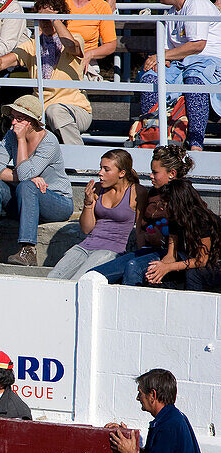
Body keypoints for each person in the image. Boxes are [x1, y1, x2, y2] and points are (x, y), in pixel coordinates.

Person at [0, 95, 74, 266]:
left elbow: (24, 175)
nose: (13, 122)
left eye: (19, 118)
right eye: (13, 117)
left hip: (57, 202)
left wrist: (21, 141)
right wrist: (24, 176)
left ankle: (28, 249)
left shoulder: (49, 141)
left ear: (32, 122)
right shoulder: (10, 136)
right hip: (26, 197)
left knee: (27, 186)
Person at [0, 0, 92, 146]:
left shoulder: (76, 38)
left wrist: (55, 19)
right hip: (40, 110)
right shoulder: (32, 45)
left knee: (55, 112)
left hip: (75, 109)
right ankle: (15, 160)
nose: (45, 21)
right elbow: (4, 61)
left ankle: (79, 158)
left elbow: (71, 46)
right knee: (19, 114)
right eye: (42, 17)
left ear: (62, 17)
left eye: (49, 17)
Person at [89, 144, 194, 285]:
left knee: (133, 267)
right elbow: (142, 226)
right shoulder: (153, 193)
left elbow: (180, 230)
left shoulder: (183, 195)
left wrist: (169, 255)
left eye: (155, 172)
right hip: (150, 250)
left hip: (174, 253)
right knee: (94, 274)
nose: (150, 176)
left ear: (172, 174)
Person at [139, 0, 221, 151]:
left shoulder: (197, 4)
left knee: (194, 79)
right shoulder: (172, 12)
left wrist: (161, 56)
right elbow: (167, 52)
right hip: (181, 62)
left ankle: (196, 145)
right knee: (151, 77)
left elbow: (197, 45)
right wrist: (161, 61)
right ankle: (151, 138)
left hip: (208, 61)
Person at [48, 149, 143, 280]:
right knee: (52, 279)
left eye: (106, 169)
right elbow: (86, 229)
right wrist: (88, 203)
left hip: (112, 250)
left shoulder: (137, 192)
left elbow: (140, 230)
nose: (100, 173)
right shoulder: (98, 188)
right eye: (100, 168)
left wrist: (141, 257)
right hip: (85, 246)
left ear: (122, 173)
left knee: (80, 281)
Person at [142, 178, 221, 290]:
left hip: (214, 263)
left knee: (193, 274)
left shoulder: (201, 219)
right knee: (154, 275)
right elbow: (171, 255)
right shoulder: (175, 219)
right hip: (192, 259)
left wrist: (169, 267)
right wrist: (160, 268)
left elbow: (202, 260)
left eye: (165, 203)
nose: (162, 207)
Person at [66, 0, 117, 81]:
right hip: (60, 59)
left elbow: (111, 44)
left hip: (86, 63)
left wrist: (90, 54)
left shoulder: (102, 6)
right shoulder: (60, 3)